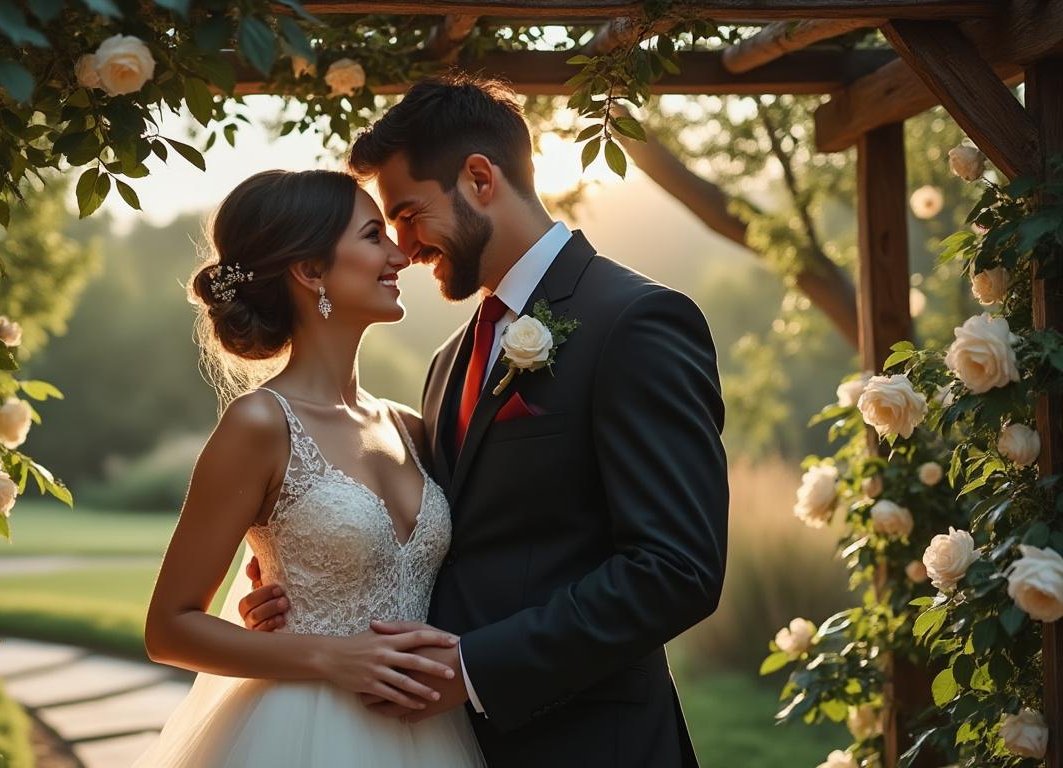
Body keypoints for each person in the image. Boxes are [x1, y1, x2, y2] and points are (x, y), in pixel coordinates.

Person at [236, 74, 731, 767]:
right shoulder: (450, 360)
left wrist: (473, 669)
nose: (404, 249)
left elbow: (676, 569)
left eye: (409, 213)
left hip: (593, 745)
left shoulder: (636, 321)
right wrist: (306, 586)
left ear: (478, 178)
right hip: (447, 746)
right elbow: (441, 540)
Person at [131, 168, 485, 767]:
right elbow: (169, 628)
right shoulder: (260, 424)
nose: (400, 255)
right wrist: (329, 654)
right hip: (301, 735)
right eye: (373, 236)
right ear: (312, 270)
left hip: (431, 730)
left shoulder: (410, 427)